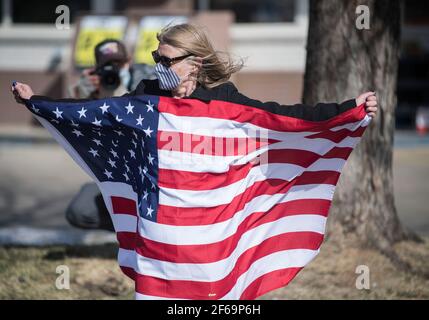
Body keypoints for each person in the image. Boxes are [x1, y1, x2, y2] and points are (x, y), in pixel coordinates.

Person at [11, 23, 378, 231]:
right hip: (155, 216)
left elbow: (284, 115)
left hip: (205, 225)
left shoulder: (226, 100)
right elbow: (102, 111)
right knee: (83, 210)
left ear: (195, 64)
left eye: (166, 60)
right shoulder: (148, 94)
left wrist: (348, 109)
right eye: (156, 58)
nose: (158, 65)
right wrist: (38, 102)